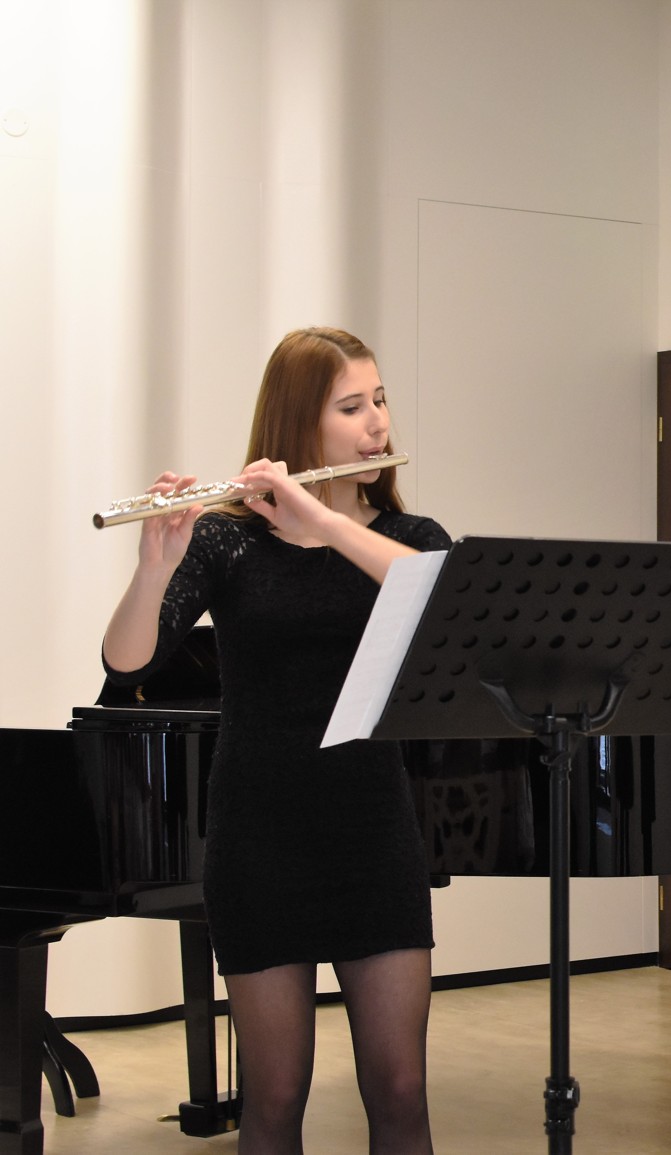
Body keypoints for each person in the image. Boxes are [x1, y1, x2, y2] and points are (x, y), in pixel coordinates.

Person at [103, 327, 449, 1155]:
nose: (377, 422)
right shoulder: (228, 539)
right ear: (300, 421)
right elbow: (125, 661)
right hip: (260, 834)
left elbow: (434, 598)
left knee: (401, 1089)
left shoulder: (412, 536)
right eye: (351, 407)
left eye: (379, 400)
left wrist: (322, 519)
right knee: (276, 1094)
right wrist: (155, 565)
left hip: (372, 827)